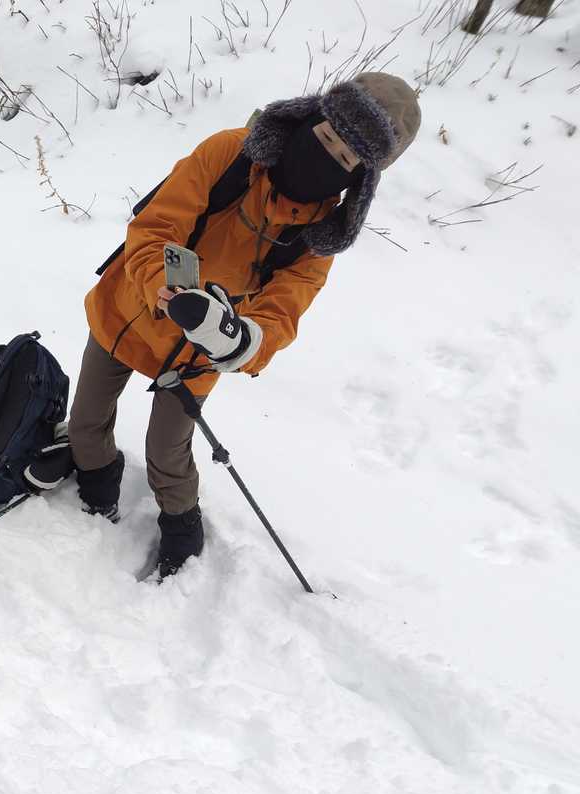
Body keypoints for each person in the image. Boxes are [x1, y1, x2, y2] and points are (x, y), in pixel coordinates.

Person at [68, 73, 421, 576]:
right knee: (86, 419)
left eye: (344, 158)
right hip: (126, 307)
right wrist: (161, 287)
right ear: (310, 118)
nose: (326, 156)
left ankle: (181, 525)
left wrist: (237, 340)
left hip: (196, 350)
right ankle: (96, 485)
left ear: (358, 179)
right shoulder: (229, 153)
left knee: (167, 451)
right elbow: (155, 226)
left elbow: (281, 313)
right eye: (325, 136)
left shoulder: (318, 238)